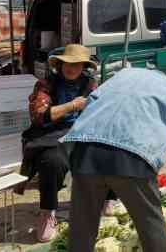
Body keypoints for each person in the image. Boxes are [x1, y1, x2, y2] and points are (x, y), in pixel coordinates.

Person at [62, 67, 166, 252]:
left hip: (86, 151)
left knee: (82, 225)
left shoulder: (119, 77)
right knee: (149, 222)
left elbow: (90, 104)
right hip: (131, 157)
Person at [17, 44, 107, 243]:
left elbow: (100, 109)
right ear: (60, 64)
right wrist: (72, 105)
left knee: (109, 151)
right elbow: (39, 115)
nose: (71, 68)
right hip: (51, 132)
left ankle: (106, 200)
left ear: (84, 66)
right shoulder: (45, 84)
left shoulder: (90, 84)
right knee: (52, 161)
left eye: (76, 64)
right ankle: (48, 212)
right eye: (68, 63)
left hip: (81, 132)